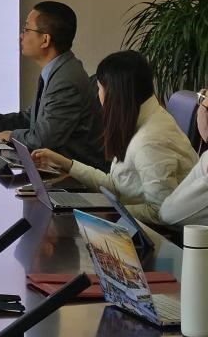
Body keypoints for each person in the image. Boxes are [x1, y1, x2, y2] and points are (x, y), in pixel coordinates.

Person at [33, 50, 198, 224]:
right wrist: (65, 163)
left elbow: (160, 212)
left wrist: (107, 212)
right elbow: (117, 184)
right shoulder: (142, 118)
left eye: (99, 89)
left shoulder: (149, 142)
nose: (98, 95)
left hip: (161, 234)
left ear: (115, 94)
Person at [0, 1, 105, 170]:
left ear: (45, 40)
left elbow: (43, 140)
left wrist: (11, 135)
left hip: (73, 178)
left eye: (26, 29)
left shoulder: (66, 80)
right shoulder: (58, 70)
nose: (21, 36)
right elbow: (29, 120)